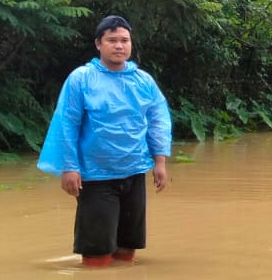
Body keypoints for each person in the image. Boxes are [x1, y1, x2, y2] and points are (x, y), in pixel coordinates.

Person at [37, 15, 172, 266]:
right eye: (112, 40)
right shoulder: (81, 79)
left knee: (127, 251)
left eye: (124, 40)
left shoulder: (143, 81)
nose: (119, 46)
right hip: (95, 176)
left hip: (134, 173)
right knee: (97, 256)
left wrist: (160, 162)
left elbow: (158, 121)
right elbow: (67, 124)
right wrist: (69, 167)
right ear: (98, 44)